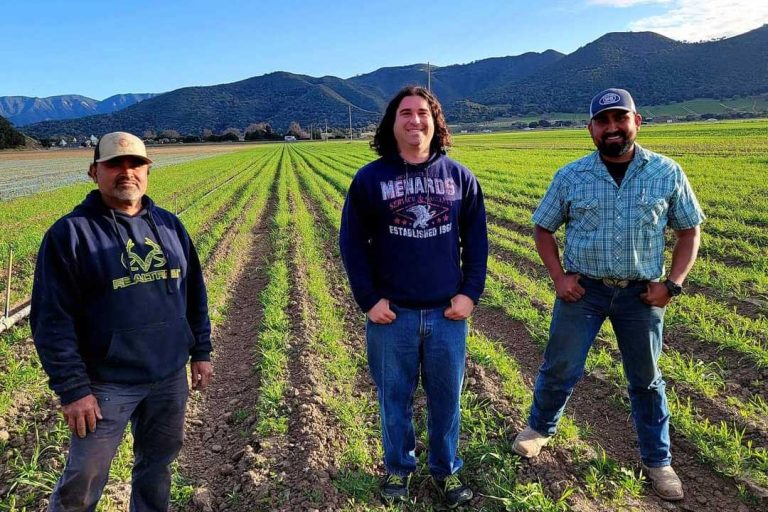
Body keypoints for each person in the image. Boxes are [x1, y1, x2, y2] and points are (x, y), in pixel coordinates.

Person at [512, 88, 704, 501]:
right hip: (585, 292)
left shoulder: (666, 172)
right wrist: (559, 277)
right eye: (604, 121)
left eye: (621, 118)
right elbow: (543, 228)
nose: (613, 127)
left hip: (640, 296)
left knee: (646, 380)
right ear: (591, 129)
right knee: (561, 366)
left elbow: (689, 231)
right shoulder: (571, 176)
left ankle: (658, 460)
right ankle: (539, 429)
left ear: (637, 121)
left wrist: (672, 284)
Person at [31, 131, 214, 511]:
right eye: (115, 164)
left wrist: (201, 350)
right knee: (83, 482)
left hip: (167, 379)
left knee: (157, 469)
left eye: (136, 164)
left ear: (148, 171)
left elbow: (194, 292)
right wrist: (73, 390)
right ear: (94, 172)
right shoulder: (70, 235)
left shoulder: (169, 226)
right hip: (104, 387)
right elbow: (52, 320)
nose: (126, 172)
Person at [339, 86, 488, 508]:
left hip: (446, 316)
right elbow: (351, 243)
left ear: (435, 121)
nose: (414, 120)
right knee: (394, 399)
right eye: (405, 113)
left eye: (423, 113)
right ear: (392, 123)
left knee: (447, 400)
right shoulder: (370, 179)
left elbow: (476, 242)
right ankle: (398, 471)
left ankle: (446, 470)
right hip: (393, 316)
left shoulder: (459, 178)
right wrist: (369, 300)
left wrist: (470, 295)